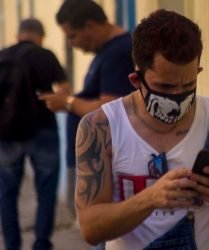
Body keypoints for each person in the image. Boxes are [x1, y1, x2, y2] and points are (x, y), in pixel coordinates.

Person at [75, 9, 209, 250]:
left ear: (198, 73)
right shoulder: (102, 128)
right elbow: (90, 229)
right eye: (165, 86)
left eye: (188, 85)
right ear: (136, 80)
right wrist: (150, 199)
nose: (177, 97)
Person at [39, 1, 135, 249]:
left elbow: (109, 108)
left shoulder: (118, 53)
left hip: (104, 163)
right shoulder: (107, 52)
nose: (72, 44)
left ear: (90, 25)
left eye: (73, 36)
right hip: (93, 160)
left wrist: (68, 102)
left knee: (100, 230)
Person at [0, 18, 69, 250]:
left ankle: (11, 245)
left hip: (7, 134)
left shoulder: (3, 56)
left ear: (18, 35)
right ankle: (41, 243)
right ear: (40, 36)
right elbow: (64, 89)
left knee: (7, 195)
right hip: (44, 130)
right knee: (46, 193)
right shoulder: (45, 55)